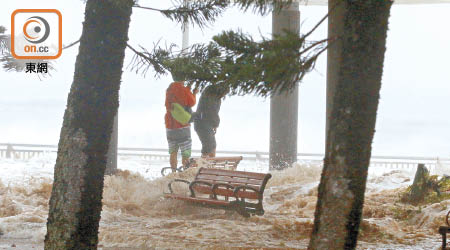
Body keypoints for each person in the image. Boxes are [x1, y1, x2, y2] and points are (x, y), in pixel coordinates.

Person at [165, 72, 198, 172]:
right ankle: (184, 172)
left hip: (169, 126)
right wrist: (194, 93)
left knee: (173, 151)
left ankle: (173, 172)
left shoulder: (169, 89)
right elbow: (191, 102)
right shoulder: (182, 89)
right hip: (182, 126)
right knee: (185, 152)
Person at [194, 85, 228, 158]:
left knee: (212, 145)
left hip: (207, 123)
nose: (224, 95)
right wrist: (215, 124)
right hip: (202, 122)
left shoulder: (216, 98)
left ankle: (210, 165)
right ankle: (204, 165)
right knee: (208, 146)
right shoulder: (211, 96)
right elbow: (211, 111)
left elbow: (214, 112)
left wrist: (214, 125)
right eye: (224, 93)